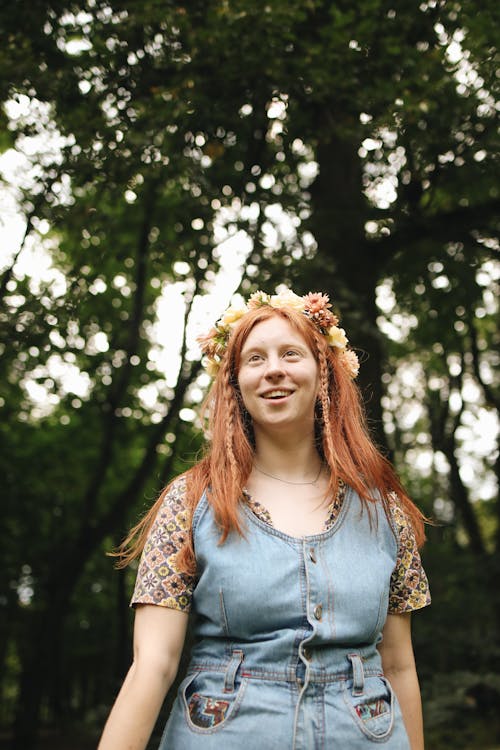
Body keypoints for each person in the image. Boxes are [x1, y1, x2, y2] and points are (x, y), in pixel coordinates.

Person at [98, 288, 430, 750]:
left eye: (290, 353)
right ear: (235, 384)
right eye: (255, 359)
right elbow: (153, 664)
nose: (273, 368)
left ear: (323, 374)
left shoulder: (384, 510)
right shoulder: (189, 501)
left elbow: (398, 666)